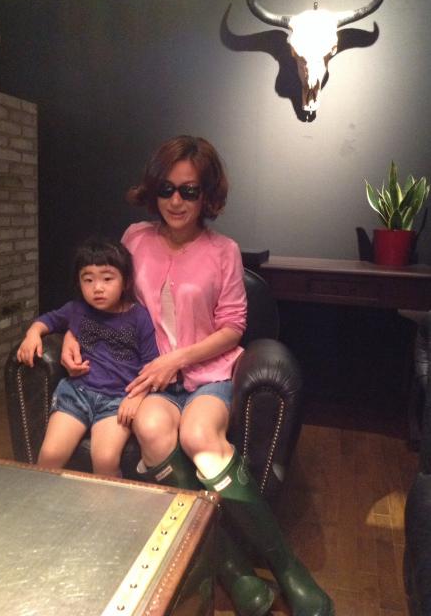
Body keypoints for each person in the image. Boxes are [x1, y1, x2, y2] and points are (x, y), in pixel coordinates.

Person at [61, 136, 334, 616]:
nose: (176, 201)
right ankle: (234, 572)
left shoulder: (223, 250)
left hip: (207, 373)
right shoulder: (134, 239)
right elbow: (107, 301)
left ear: (207, 195)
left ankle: (288, 568)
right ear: (154, 190)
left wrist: (177, 360)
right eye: (167, 188)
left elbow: (233, 326)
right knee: (151, 428)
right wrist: (69, 333)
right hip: (150, 378)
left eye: (189, 190)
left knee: (200, 436)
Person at [17, 238, 158, 477]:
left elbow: (151, 365)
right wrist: (32, 334)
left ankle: (105, 502)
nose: (97, 288)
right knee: (49, 456)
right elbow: (48, 320)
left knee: (104, 460)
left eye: (107, 278)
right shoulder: (77, 309)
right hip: (76, 393)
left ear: (125, 281)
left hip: (116, 400)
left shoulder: (139, 317)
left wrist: (137, 397)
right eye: (88, 280)